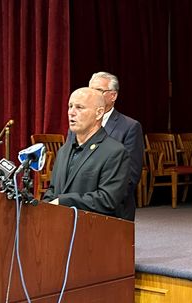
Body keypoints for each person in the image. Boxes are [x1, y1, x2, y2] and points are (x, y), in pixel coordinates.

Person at [43, 87, 130, 218]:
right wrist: (43, 208)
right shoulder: (64, 150)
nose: (71, 112)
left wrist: (64, 202)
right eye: (70, 106)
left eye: (79, 107)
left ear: (99, 113)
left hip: (94, 231)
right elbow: (53, 190)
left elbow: (107, 199)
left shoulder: (115, 151)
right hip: (60, 229)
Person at [68, 71, 144, 221]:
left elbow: (131, 176)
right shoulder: (78, 125)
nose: (91, 95)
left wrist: (100, 200)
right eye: (90, 90)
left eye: (98, 91)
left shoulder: (129, 127)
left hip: (112, 210)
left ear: (113, 96)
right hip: (76, 207)